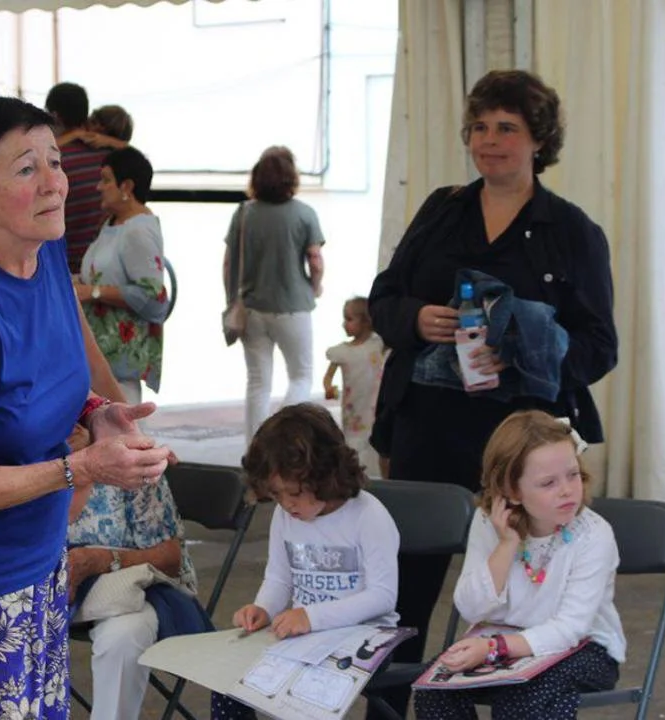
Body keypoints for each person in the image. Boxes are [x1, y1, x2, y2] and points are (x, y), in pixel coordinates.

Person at [0, 95, 172, 718]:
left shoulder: (43, 253)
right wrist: (84, 468)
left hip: (42, 553)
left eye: (55, 160)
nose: (54, 182)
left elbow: (54, 368)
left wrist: (98, 411)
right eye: (26, 168)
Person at [366, 69, 618, 718]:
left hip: (519, 445)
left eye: (507, 127)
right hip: (425, 429)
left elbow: (599, 346)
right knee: (405, 596)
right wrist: (415, 318)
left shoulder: (572, 231)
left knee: (521, 591)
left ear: (539, 140)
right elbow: (384, 297)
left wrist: (531, 352)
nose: (489, 140)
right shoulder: (440, 210)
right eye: (479, 126)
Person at [412, 410, 624, 719]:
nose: (567, 489)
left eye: (573, 474)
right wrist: (507, 544)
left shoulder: (593, 534)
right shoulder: (489, 522)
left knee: (525, 697)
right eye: (548, 483)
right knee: (435, 690)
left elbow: (571, 627)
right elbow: (471, 609)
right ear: (512, 490)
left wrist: (495, 648)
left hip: (585, 648)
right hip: (500, 639)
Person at [210, 402, 399, 719]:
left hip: (365, 637)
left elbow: (382, 596)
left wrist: (312, 617)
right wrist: (264, 609)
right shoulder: (285, 516)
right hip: (304, 638)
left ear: (326, 476)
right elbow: (279, 578)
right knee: (227, 680)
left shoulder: (368, 516)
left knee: (306, 691)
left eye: (294, 493)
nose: (286, 504)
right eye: (276, 494)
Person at [67, 473, 198, 719]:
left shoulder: (133, 469)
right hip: (45, 596)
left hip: (127, 588)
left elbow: (171, 559)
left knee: (124, 636)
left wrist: (102, 559)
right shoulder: (25, 464)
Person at [224, 146, 325, 443]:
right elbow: (315, 259)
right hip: (294, 308)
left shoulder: (243, 213)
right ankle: (282, 437)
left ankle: (255, 449)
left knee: (258, 382)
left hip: (252, 309)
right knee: (301, 376)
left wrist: (231, 299)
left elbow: (228, 262)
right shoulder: (304, 214)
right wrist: (315, 286)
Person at [74, 147, 168, 403]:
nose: (98, 187)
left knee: (124, 422)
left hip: (120, 367)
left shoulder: (138, 231)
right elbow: (101, 277)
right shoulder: (113, 224)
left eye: (106, 180)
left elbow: (153, 297)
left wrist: (91, 292)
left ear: (126, 186)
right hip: (101, 360)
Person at [46, 82, 109, 274]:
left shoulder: (54, 162)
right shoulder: (108, 156)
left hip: (64, 270)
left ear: (55, 116)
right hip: (108, 268)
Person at [324, 296, 387, 477]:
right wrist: (328, 387)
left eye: (349, 319)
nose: (344, 324)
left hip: (374, 405)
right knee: (353, 440)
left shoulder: (378, 344)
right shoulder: (341, 352)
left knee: (373, 438)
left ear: (366, 321)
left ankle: (374, 474)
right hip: (353, 408)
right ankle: (354, 473)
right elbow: (328, 376)